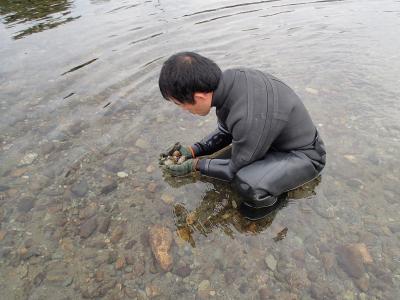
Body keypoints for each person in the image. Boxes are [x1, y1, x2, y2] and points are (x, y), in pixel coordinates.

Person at [158, 52, 326, 209]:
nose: (183, 109)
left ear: (199, 97)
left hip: (304, 156)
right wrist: (193, 151)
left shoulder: (248, 114)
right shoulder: (230, 81)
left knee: (246, 183)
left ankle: (274, 206)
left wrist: (193, 166)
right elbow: (225, 132)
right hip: (268, 141)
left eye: (180, 104)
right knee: (218, 162)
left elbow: (233, 170)